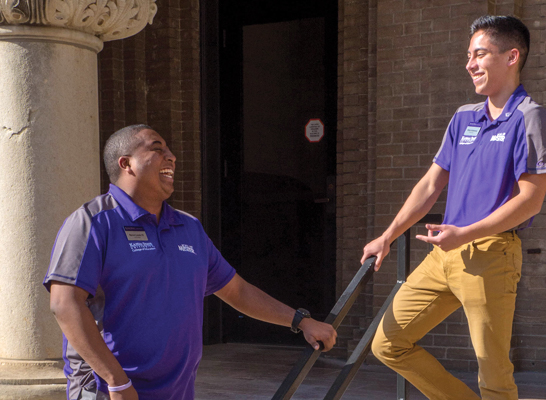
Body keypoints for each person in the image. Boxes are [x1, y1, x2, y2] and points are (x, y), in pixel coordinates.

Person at [44, 125, 337, 400]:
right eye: (157, 148)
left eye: (169, 150)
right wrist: (116, 380)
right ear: (126, 164)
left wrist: (301, 321)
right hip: (110, 390)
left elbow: (237, 291)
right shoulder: (92, 223)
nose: (171, 156)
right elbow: (65, 304)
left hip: (177, 390)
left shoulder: (189, 228)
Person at [363, 15, 546, 400]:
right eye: (469, 54)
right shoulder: (463, 117)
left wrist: (465, 234)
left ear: (512, 56)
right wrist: (388, 236)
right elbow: (431, 185)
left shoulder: (529, 118)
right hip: (443, 256)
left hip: (491, 256)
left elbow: (531, 198)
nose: (470, 64)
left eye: (480, 54)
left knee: (494, 374)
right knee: (387, 344)